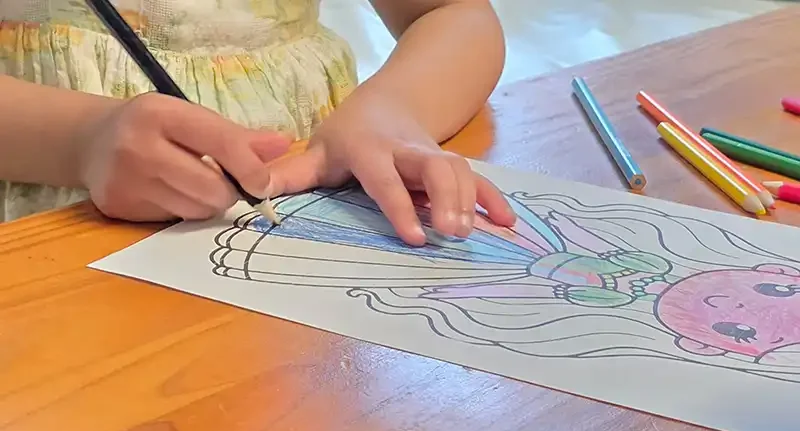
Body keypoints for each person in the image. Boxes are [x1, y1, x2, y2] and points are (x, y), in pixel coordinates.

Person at [0, 0, 516, 245]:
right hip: (53, 230)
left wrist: (392, 109)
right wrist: (80, 142)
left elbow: (453, 13)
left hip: (310, 198)